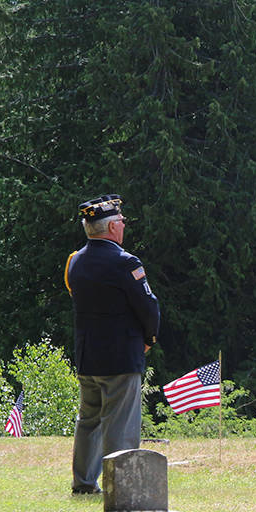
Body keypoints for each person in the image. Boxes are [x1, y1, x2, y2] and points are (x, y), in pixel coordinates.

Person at [65, 194, 160, 495]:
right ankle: (121, 487)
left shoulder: (75, 261)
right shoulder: (125, 262)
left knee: (89, 422)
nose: (123, 226)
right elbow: (147, 306)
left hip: (88, 356)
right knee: (121, 426)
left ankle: (83, 483)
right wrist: (149, 338)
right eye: (121, 221)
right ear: (111, 228)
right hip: (120, 356)